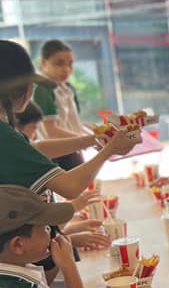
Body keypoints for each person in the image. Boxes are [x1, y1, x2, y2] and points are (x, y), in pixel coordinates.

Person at [0, 40, 139, 199]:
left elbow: (36, 148)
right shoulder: (5, 135)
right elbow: (70, 187)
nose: (32, 89)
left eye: (70, 64)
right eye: (29, 84)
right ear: (10, 88)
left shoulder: (7, 129)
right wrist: (109, 149)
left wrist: (95, 139)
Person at [31, 40, 86, 171]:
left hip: (74, 148)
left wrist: (99, 133)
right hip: (58, 155)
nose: (66, 69)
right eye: (59, 63)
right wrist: (87, 139)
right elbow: (51, 130)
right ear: (43, 63)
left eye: (70, 64)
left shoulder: (68, 87)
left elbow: (75, 123)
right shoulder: (42, 89)